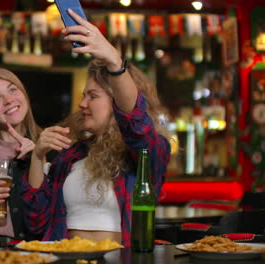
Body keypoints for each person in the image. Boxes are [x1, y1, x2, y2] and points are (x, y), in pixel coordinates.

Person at [22, 9, 171, 247]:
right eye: (83, 95)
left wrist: (113, 60)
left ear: (116, 102)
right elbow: (36, 223)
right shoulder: (71, 154)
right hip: (66, 257)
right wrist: (37, 157)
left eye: (92, 96)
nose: (82, 104)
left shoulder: (145, 155)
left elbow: (137, 126)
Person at [0, 68, 43, 245]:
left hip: (30, 251)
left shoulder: (49, 147)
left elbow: (47, 215)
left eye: (13, 89)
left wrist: (38, 158)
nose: (9, 100)